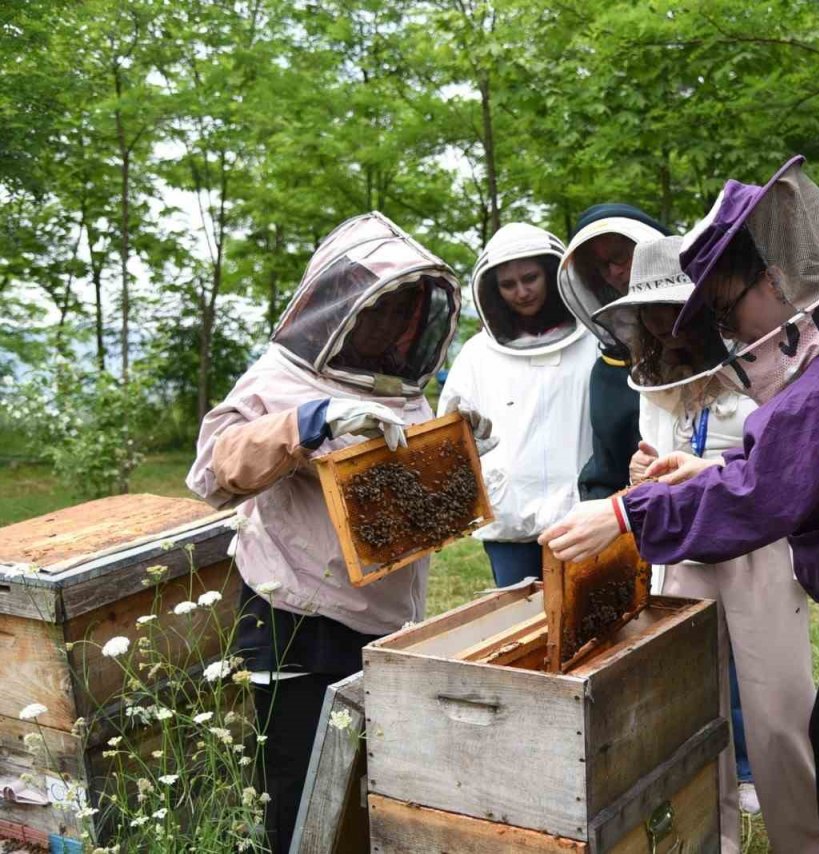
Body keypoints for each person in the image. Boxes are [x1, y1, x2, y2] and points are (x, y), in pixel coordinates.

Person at [542, 157, 819, 853]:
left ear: (774, 277)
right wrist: (716, 467)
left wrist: (623, 515)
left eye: (730, 308)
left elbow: (769, 491)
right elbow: (809, 466)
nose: (731, 332)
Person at [187, 212, 492, 852]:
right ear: (340, 305)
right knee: (296, 792)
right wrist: (309, 422)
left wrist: (461, 451)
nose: (390, 324)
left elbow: (409, 507)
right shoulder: (279, 376)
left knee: (364, 785)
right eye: (380, 308)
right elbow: (212, 472)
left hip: (387, 619)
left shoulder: (405, 390)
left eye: (404, 310)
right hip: (292, 615)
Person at [585, 236, 819, 853]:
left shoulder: (764, 363)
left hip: (758, 544)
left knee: (777, 715)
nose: (667, 327)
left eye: (676, 311)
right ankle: (707, 841)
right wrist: (645, 474)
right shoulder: (652, 374)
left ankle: (804, 842)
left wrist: (706, 469)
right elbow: (652, 451)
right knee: (687, 712)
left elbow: (779, 462)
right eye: (654, 315)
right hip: (679, 544)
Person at [439, 222, 596, 586]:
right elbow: (451, 432)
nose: (522, 292)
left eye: (531, 278)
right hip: (509, 519)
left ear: (552, 274)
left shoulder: (593, 340)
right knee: (520, 629)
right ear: (492, 290)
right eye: (508, 285)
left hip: (583, 516)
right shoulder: (477, 353)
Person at [558, 204, 670, 500]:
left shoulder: (729, 336)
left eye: (620, 257)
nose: (614, 273)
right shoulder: (609, 370)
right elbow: (607, 469)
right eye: (601, 268)